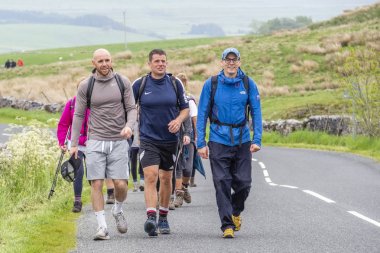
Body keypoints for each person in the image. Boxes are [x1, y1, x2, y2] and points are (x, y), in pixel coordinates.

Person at [70, 48, 137, 240]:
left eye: (107, 60)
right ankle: (102, 227)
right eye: (100, 61)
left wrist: (129, 126)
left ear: (112, 60)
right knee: (97, 183)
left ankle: (117, 209)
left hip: (118, 140)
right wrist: (74, 143)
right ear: (94, 64)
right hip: (95, 140)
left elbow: (132, 108)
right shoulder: (85, 86)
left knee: (121, 185)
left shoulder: (122, 82)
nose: (105, 64)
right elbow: (79, 115)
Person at [197, 48, 262, 239]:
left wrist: (257, 139)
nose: (231, 63)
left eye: (235, 60)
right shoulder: (212, 84)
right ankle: (227, 225)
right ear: (222, 62)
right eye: (228, 59)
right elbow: (202, 114)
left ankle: (235, 212)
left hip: (242, 139)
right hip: (218, 139)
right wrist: (201, 143)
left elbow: (257, 112)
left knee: (244, 183)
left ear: (239, 62)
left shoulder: (248, 83)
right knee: (222, 183)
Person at [132, 49, 189, 237]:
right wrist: (127, 127)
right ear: (150, 64)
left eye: (163, 61)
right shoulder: (140, 84)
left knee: (166, 178)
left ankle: (163, 216)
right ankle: (150, 216)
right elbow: (129, 108)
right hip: (148, 139)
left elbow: (185, 109)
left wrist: (179, 121)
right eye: (157, 61)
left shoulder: (175, 83)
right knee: (150, 176)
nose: (161, 64)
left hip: (170, 140)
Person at [57, 94, 89, 213]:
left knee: (93, 174)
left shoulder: (96, 103)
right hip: (76, 144)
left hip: (93, 143)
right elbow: (63, 124)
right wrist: (62, 142)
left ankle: (107, 192)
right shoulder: (71, 104)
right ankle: (77, 201)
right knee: (78, 171)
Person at [172, 73, 198, 208]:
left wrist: (196, 137)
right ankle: (179, 194)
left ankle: (185, 186)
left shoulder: (189, 101)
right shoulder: (169, 99)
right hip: (174, 139)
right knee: (177, 167)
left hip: (189, 138)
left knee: (187, 169)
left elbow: (193, 119)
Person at [130, 123, 144, 192]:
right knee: (133, 164)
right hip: (133, 145)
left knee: (142, 163)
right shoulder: (132, 120)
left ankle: (142, 183)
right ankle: (135, 183)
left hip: (142, 145)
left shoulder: (143, 118)